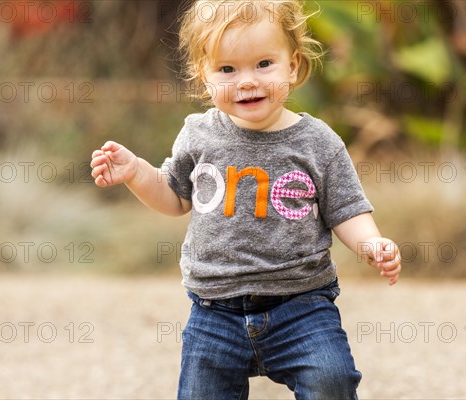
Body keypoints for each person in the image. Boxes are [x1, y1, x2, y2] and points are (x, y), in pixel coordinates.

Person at [90, 1, 401, 398]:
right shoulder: (199, 135)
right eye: (227, 69)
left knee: (332, 380)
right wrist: (136, 173)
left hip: (302, 305)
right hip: (214, 310)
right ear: (204, 75)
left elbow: (346, 209)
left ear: (293, 64)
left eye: (264, 64)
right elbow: (174, 197)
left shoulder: (318, 142)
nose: (247, 81)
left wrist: (371, 242)